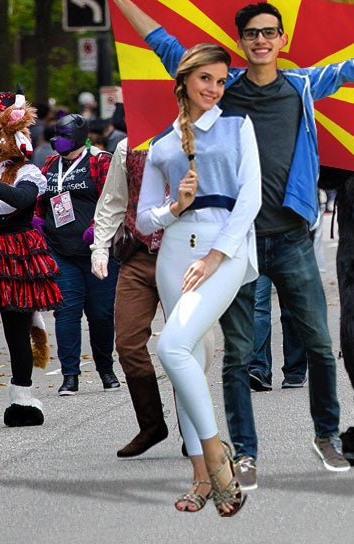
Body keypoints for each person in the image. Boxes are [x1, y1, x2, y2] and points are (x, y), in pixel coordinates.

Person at [105, 0, 354, 486]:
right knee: (240, 354)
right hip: (235, 243)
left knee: (315, 342)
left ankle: (326, 436)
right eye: (252, 34)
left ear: (283, 40)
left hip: (291, 238)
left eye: (270, 32)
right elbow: (163, 44)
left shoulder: (304, 85)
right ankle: (245, 453)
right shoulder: (223, 87)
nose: (261, 40)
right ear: (240, 43)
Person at [137, 42, 258, 515]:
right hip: (173, 253)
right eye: (206, 78)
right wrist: (175, 207)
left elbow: (250, 198)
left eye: (221, 80)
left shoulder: (237, 125)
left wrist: (214, 255)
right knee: (188, 360)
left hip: (222, 250)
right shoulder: (162, 144)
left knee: (171, 346)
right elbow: (144, 220)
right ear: (185, 79)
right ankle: (199, 479)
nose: (214, 88)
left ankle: (217, 460)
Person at [0, 91, 59, 429]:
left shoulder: (27, 172)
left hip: (15, 254)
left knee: (17, 331)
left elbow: (19, 201)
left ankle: (22, 398)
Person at [90, 138, 170, 457]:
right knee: (127, 342)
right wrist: (99, 248)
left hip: (181, 257)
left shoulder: (200, 138)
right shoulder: (128, 147)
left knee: (184, 346)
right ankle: (151, 424)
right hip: (137, 257)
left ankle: (195, 428)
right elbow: (112, 202)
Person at [38, 114, 119, 395]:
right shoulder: (50, 164)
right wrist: (38, 221)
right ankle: (70, 375)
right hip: (61, 251)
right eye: (56, 134)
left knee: (101, 315)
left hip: (99, 251)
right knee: (66, 313)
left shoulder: (101, 161)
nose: (56, 139)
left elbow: (115, 200)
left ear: (78, 135)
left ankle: (106, 370)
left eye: (63, 134)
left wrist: (98, 228)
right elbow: (41, 198)